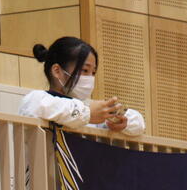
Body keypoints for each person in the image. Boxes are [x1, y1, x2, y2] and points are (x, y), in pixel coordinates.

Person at [18, 37, 146, 136]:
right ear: (57, 71)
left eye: (93, 73)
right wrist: (88, 113)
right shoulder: (36, 99)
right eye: (84, 70)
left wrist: (119, 120)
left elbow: (139, 124)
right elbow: (49, 108)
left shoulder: (91, 111)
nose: (90, 78)